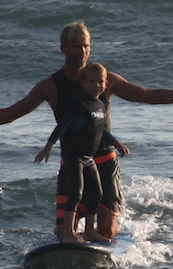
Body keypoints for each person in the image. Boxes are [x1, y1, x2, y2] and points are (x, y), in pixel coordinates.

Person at [0, 21, 173, 240]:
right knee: (64, 234)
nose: (82, 51)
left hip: (105, 163)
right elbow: (13, 113)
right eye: (76, 46)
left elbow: (145, 94)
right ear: (63, 49)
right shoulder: (50, 86)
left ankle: (108, 220)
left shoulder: (105, 79)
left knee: (106, 232)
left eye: (86, 46)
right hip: (74, 163)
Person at [34, 63, 129, 243]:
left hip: (88, 158)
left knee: (96, 193)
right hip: (74, 157)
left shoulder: (100, 104)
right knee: (76, 194)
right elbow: (61, 126)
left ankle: (89, 231)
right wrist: (48, 147)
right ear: (83, 84)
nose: (96, 85)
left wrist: (117, 144)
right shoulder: (79, 104)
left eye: (100, 82)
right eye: (91, 81)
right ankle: (69, 233)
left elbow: (102, 131)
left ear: (105, 84)